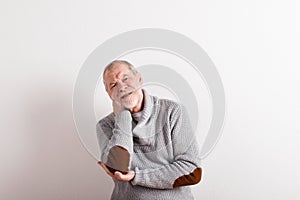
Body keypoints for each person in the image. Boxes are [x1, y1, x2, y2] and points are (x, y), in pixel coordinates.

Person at [96, 60, 202, 200]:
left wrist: (137, 176)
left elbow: (192, 171)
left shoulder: (172, 111)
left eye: (125, 78)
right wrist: (122, 115)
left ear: (139, 78)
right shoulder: (105, 125)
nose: (121, 87)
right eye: (113, 85)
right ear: (110, 95)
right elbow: (118, 169)